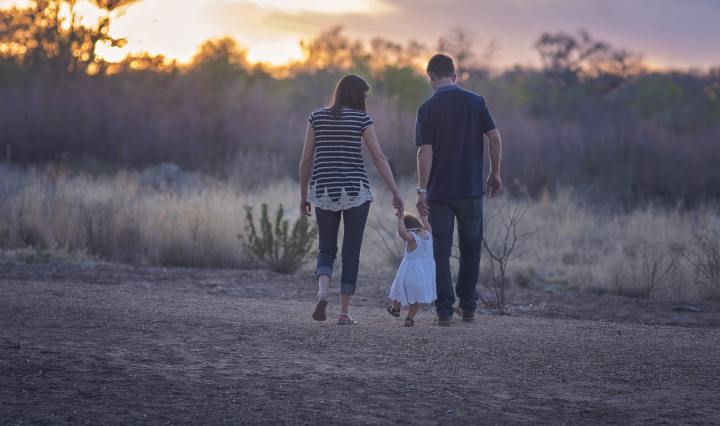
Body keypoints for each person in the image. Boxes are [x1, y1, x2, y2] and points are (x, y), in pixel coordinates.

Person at [298, 74, 404, 325]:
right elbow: (379, 158)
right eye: (364, 96)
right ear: (357, 95)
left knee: (326, 248)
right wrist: (395, 191)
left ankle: (322, 293)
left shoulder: (317, 117)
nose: (365, 100)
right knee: (351, 252)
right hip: (356, 192)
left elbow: (305, 160)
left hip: (323, 191)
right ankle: (343, 313)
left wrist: (304, 195)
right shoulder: (362, 119)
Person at [415, 54, 503, 326]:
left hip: (440, 193)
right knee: (471, 248)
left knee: (440, 251)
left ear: (430, 76)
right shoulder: (475, 102)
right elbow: (494, 137)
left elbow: (424, 153)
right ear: (454, 75)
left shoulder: (427, 108)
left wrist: (422, 190)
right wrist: (494, 173)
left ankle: (443, 311)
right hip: (470, 189)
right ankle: (468, 307)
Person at [387, 211, 436, 327]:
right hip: (425, 274)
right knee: (417, 298)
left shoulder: (412, 237)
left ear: (408, 227)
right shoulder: (429, 233)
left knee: (399, 289)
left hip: (410, 272)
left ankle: (396, 308)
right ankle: (410, 318)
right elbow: (426, 222)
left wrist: (400, 219)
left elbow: (402, 233)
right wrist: (423, 216)